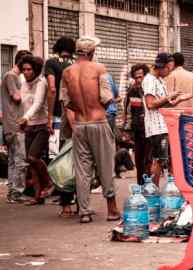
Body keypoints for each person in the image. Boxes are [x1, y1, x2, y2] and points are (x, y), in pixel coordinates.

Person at [60, 36, 120, 223]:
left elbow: (66, 102)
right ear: (91, 52)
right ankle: (111, 209)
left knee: (82, 169)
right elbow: (106, 97)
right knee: (106, 165)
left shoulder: (67, 72)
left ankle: (84, 211)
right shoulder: (99, 68)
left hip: (79, 125)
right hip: (98, 122)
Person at [143, 53, 191, 187]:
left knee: (166, 160)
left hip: (164, 125)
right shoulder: (150, 80)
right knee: (158, 160)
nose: (169, 72)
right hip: (156, 127)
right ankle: (154, 192)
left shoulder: (159, 80)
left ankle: (170, 189)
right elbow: (151, 104)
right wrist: (169, 96)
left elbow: (163, 104)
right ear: (161, 67)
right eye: (168, 68)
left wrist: (178, 99)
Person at [44, 37, 76, 216]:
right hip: (79, 116)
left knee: (62, 159)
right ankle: (81, 201)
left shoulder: (52, 63)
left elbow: (52, 88)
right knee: (80, 158)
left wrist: (49, 116)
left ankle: (65, 204)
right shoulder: (77, 64)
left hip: (60, 117)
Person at [17, 55, 53, 205]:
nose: (26, 72)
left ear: (36, 69)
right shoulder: (23, 83)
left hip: (42, 125)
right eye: (24, 69)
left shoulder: (42, 82)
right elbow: (22, 104)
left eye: (29, 69)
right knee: (30, 163)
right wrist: (21, 119)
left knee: (33, 157)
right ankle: (38, 196)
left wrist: (25, 117)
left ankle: (49, 182)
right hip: (28, 126)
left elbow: (38, 103)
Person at [1, 50, 31, 203]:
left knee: (13, 160)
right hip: (15, 124)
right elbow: (17, 97)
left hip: (10, 124)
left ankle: (13, 192)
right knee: (19, 159)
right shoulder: (11, 76)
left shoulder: (9, 76)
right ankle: (17, 193)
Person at [123, 64, 152, 185]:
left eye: (141, 77)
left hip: (151, 130)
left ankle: (149, 185)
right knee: (139, 160)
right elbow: (127, 111)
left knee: (149, 160)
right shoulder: (132, 91)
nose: (139, 80)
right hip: (138, 131)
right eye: (136, 77)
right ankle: (141, 185)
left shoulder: (150, 89)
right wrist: (127, 131)